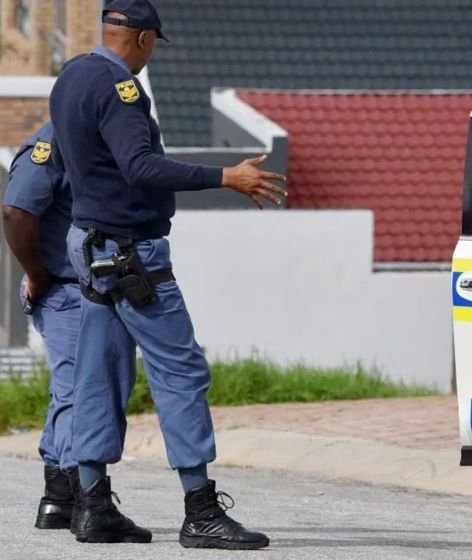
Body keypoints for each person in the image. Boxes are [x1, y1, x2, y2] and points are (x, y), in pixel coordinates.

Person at [49, 0, 286, 549]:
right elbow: (141, 166)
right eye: (154, 43)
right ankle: (200, 510)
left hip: (89, 245)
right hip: (131, 254)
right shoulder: (122, 90)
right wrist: (226, 176)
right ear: (142, 38)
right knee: (181, 372)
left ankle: (92, 505)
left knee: (97, 376)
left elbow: (64, 162)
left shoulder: (71, 76)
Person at [2, 123, 81, 532]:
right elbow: (16, 212)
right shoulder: (50, 143)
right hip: (63, 288)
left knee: (74, 389)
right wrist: (36, 275)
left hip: (89, 287)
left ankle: (60, 497)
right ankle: (73, 493)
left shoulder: (91, 136)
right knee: (76, 389)